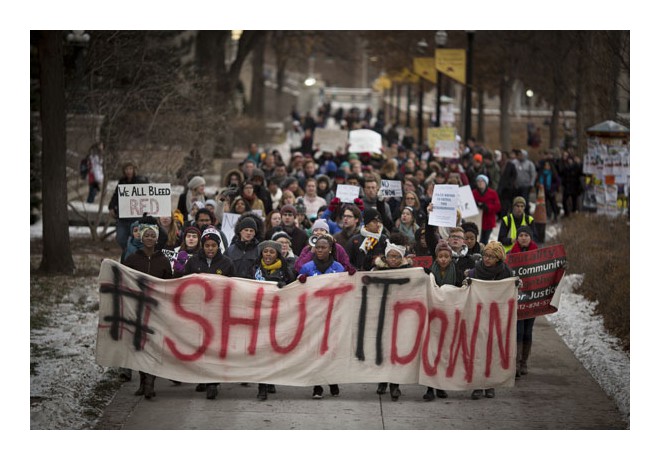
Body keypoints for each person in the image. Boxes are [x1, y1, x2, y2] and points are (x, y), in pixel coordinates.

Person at [123, 216, 173, 399]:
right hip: (137, 309)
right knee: (140, 347)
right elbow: (123, 278)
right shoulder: (132, 259)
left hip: (157, 311)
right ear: (141, 238)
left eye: (153, 235)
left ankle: (150, 383)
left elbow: (169, 283)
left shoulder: (163, 261)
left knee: (153, 346)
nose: (150, 238)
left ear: (157, 238)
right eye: (147, 235)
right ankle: (143, 381)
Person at [183, 226, 235, 399]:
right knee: (201, 345)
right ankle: (202, 377)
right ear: (202, 246)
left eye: (214, 245)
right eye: (207, 246)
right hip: (198, 312)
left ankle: (213, 381)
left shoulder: (227, 263)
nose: (210, 249)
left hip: (218, 312)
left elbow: (234, 286)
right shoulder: (193, 263)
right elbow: (185, 284)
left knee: (215, 346)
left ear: (218, 245)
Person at [296, 234, 346, 399]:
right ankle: (317, 386)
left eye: (323, 247)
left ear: (330, 249)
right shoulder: (307, 268)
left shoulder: (339, 268)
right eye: (317, 247)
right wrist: (300, 282)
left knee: (331, 351)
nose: (320, 250)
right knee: (315, 351)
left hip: (333, 316)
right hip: (313, 316)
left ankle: (333, 382)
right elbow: (297, 291)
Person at [464, 241, 514, 400]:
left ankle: (490, 385)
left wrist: (517, 285)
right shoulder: (475, 271)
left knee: (493, 352)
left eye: (491, 257)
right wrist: (466, 282)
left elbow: (510, 289)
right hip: (477, 316)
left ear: (498, 258)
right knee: (478, 351)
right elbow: (465, 286)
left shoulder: (506, 272)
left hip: (496, 318)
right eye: (485, 255)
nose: (487, 259)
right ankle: (477, 385)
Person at [250, 240, 296, 400]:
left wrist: (284, 287)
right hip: (259, 317)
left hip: (278, 318)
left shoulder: (286, 271)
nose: (268, 255)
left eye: (272, 252)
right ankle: (262, 386)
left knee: (272, 353)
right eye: (265, 251)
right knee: (262, 352)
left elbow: (294, 291)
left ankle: (270, 380)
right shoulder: (255, 269)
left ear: (278, 254)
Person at [423, 239, 465, 401]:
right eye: (440, 256)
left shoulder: (457, 272)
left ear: (450, 258)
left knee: (443, 353)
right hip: (432, 317)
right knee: (431, 352)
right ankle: (430, 387)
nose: (443, 259)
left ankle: (440, 386)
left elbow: (461, 290)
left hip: (449, 319)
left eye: (446, 256)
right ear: (436, 257)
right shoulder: (429, 273)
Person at [507, 226, 538, 378]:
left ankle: (524, 362)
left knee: (527, 331)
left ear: (530, 237)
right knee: (518, 331)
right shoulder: (511, 254)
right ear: (517, 238)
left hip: (532, 299)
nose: (523, 238)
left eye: (526, 235)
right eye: (521, 235)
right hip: (517, 300)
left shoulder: (539, 255)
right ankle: (517, 364)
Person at [108, 161, 149, 252]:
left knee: (137, 240)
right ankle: (127, 254)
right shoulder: (122, 182)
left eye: (130, 169)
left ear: (134, 170)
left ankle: (133, 257)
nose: (128, 171)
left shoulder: (141, 181)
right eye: (126, 169)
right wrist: (111, 207)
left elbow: (147, 197)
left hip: (136, 218)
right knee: (121, 239)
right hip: (123, 218)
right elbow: (116, 196)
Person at [225, 215, 261, 279]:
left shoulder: (259, 250)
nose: (248, 233)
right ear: (240, 231)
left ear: (255, 233)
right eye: (246, 230)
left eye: (251, 231)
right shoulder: (230, 250)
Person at [472, 174, 501, 244]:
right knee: (477, 239)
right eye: (478, 181)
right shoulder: (473, 193)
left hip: (488, 221)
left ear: (486, 183)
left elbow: (498, 206)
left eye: (482, 181)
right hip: (476, 221)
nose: (480, 183)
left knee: (484, 240)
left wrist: (487, 207)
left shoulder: (493, 193)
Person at [513, 150, 537, 214]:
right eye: (519, 155)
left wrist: (531, 184)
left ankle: (527, 213)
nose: (520, 156)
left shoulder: (529, 164)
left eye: (522, 155)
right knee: (516, 200)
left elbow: (533, 174)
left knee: (524, 200)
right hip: (516, 185)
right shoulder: (514, 163)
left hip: (526, 186)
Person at [497, 151, 518, 218]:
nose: (503, 157)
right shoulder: (499, 164)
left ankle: (509, 215)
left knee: (508, 203)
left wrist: (510, 184)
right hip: (500, 187)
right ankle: (501, 216)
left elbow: (514, 175)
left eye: (504, 156)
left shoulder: (511, 165)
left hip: (508, 188)